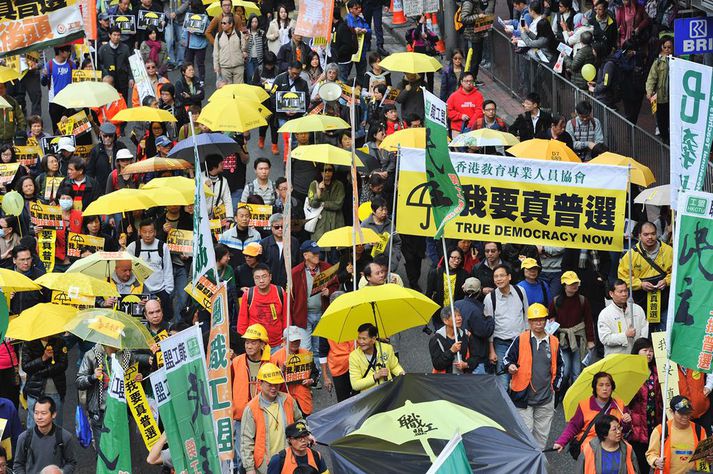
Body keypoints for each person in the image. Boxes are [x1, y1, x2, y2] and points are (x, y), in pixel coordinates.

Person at [504, 303, 564, 448]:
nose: (538, 323)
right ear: (529, 322)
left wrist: (555, 386)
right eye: (534, 320)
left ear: (546, 320)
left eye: (541, 319)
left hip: (546, 396)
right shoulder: (520, 339)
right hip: (523, 396)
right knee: (526, 433)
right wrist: (510, 366)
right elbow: (507, 359)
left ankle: (538, 464)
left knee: (542, 436)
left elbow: (561, 366)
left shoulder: (554, 342)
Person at [240, 363, 305, 474]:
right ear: (260, 383)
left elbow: (299, 420)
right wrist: (250, 469)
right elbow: (246, 441)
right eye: (270, 384)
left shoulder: (288, 400)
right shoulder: (251, 408)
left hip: (290, 458)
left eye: (276, 384)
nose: (274, 388)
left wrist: (306, 433)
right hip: (266, 464)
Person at [554, 372, 631, 453]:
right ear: (595, 387)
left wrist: (626, 422)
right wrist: (561, 442)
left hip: (613, 446)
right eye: (601, 385)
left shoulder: (620, 405)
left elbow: (625, 430)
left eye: (608, 385)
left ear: (612, 387)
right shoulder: (584, 405)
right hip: (590, 448)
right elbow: (573, 426)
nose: (604, 388)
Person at [617, 221, 672, 330]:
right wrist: (640, 284)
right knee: (644, 334)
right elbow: (623, 278)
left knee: (665, 333)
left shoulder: (668, 251)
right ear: (639, 236)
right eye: (646, 234)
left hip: (665, 301)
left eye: (653, 234)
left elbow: (677, 273)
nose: (650, 237)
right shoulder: (631, 255)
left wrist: (666, 281)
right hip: (641, 303)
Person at [231, 324, 271, 466]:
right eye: (247, 342)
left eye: (253, 342)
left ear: (262, 345)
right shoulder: (236, 362)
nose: (248, 346)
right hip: (241, 418)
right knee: (242, 457)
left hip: (264, 417)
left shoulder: (270, 364)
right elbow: (227, 389)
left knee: (264, 456)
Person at [484, 264, 528, 388]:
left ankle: (516, 407)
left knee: (521, 378)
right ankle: (502, 407)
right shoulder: (490, 298)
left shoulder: (520, 291)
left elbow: (526, 317)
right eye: (496, 276)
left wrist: (528, 340)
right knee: (503, 381)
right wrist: (491, 350)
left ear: (509, 277)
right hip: (501, 343)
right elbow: (489, 327)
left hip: (520, 342)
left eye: (501, 275)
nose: (498, 279)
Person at [549, 271, 595, 388]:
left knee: (577, 372)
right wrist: (552, 320)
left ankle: (574, 398)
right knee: (565, 372)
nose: (574, 286)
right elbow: (549, 317)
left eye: (576, 283)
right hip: (562, 341)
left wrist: (590, 340)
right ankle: (562, 391)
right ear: (564, 285)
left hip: (578, 340)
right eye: (571, 283)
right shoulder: (556, 301)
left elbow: (589, 321)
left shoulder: (582, 300)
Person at [291, 240, 338, 353]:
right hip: (303, 316)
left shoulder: (326, 267)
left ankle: (318, 371)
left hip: (322, 313)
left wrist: (329, 292)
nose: (317, 256)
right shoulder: (295, 272)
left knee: (318, 348)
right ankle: (308, 371)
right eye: (314, 254)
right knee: (304, 348)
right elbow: (291, 297)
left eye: (318, 253)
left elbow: (336, 285)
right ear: (305, 255)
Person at [646, 395, 713, 474]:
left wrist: (709, 458)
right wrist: (656, 461)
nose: (685, 417)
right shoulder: (661, 430)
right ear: (671, 412)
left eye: (688, 413)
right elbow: (651, 454)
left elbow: (704, 461)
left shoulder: (700, 431)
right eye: (681, 413)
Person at [12, 397, 78, 474]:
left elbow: (71, 463)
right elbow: (18, 465)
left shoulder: (65, 437)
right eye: (36, 413)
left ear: (53, 414)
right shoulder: (24, 438)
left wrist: (61, 472)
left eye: (43, 413)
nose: (39, 417)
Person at [126, 219, 174, 320]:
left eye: (151, 232)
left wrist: (168, 291)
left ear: (155, 232)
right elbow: (127, 269)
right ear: (139, 232)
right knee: (141, 319)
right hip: (141, 290)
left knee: (164, 320)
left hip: (161, 290)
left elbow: (168, 269)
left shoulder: (162, 246)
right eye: (144, 232)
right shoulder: (133, 247)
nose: (148, 235)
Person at [628, 338, 661, 474]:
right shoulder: (631, 373)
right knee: (640, 463)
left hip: (655, 422)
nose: (649, 353)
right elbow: (627, 400)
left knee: (656, 459)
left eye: (651, 351)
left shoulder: (657, 371)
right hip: (638, 425)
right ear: (637, 352)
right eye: (645, 350)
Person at [21, 333, 68, 429]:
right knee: (33, 426)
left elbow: (63, 365)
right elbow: (26, 366)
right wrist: (43, 358)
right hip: (35, 391)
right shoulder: (29, 343)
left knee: (55, 425)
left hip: (55, 390)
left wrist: (41, 372)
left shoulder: (59, 342)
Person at [237, 263, 287, 348]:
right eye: (257, 277)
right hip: (256, 344)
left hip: (278, 343)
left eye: (264, 276)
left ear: (270, 277)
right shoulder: (248, 294)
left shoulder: (280, 292)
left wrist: (286, 338)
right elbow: (242, 320)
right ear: (253, 279)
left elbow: (286, 316)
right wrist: (246, 343)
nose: (261, 280)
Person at [270, 326, 317, 415]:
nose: (296, 343)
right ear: (284, 341)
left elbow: (314, 373)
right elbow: (271, 381)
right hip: (284, 401)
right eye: (293, 341)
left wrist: (311, 380)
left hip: (304, 400)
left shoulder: (306, 354)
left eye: (297, 340)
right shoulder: (275, 357)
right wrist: (282, 370)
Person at [348, 323, 405, 392]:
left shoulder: (386, 348)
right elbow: (355, 385)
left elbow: (394, 366)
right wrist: (375, 376)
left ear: (373, 339)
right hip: (370, 396)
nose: (360, 342)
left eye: (364, 339)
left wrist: (401, 373)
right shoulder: (353, 356)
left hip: (388, 390)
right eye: (359, 338)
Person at [598, 279, 648, 356]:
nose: (624, 294)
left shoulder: (637, 309)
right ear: (611, 293)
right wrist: (625, 335)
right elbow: (605, 338)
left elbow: (644, 331)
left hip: (636, 356)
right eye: (620, 292)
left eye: (626, 291)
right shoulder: (605, 314)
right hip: (616, 358)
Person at [427, 247, 468, 330]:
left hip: (456, 314)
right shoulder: (436, 273)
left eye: (459, 259)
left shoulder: (464, 275)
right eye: (453, 258)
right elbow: (429, 293)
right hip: (439, 314)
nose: (456, 261)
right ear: (447, 257)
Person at [429, 306, 477, 374]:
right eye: (454, 316)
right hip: (444, 380)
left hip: (464, 378)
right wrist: (451, 351)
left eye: (459, 315)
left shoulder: (466, 335)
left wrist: (466, 364)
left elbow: (476, 357)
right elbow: (437, 365)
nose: (459, 318)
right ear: (445, 320)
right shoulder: (436, 339)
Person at [360, 196, 401, 274]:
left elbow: (397, 242)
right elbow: (359, 245)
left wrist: (396, 256)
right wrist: (369, 245)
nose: (384, 212)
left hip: (389, 264)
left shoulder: (390, 224)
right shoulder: (365, 225)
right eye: (381, 210)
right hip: (371, 265)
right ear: (373, 211)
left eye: (385, 209)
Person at [306, 164, 345, 242]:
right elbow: (312, 204)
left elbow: (338, 204)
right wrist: (318, 193)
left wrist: (323, 204)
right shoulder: (314, 184)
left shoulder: (339, 185)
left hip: (336, 221)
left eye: (330, 170)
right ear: (320, 172)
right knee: (320, 248)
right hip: (320, 222)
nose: (327, 172)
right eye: (324, 170)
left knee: (335, 249)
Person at [259, 214, 300, 288]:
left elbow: (298, 263)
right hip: (269, 285)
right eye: (277, 227)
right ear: (271, 227)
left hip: (289, 284)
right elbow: (261, 265)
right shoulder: (264, 243)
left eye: (283, 226)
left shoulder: (294, 242)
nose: (280, 229)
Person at [86, 122, 128, 193]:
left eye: (110, 136)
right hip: (101, 189)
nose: (107, 138)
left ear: (114, 136)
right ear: (101, 135)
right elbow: (89, 171)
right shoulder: (95, 151)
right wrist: (90, 188)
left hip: (119, 187)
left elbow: (128, 164)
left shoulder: (121, 147)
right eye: (105, 136)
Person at [646, 37, 672, 143]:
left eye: (669, 47)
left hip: (673, 96)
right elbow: (651, 78)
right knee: (662, 119)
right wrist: (649, 91)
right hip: (661, 96)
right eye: (665, 47)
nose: (667, 49)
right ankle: (665, 138)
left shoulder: (677, 61)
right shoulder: (658, 62)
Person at [97, 26, 133, 101]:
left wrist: (131, 78)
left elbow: (129, 64)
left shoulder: (125, 48)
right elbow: (99, 64)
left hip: (122, 80)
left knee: (122, 101)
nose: (116, 37)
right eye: (114, 35)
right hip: (108, 81)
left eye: (118, 35)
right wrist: (104, 76)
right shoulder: (103, 49)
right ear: (110, 35)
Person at [446, 72, 484, 137]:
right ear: (461, 82)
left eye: (471, 81)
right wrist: (460, 116)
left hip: (474, 129)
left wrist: (470, 125)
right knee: (458, 147)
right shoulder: (454, 96)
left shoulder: (479, 96)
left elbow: (479, 112)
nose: (469, 83)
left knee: (473, 147)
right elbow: (448, 111)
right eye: (466, 81)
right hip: (457, 129)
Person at [214, 13, 246, 85]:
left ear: (231, 24)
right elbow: (216, 52)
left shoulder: (239, 34)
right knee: (227, 90)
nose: (222, 25)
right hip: (225, 68)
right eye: (221, 23)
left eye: (224, 23)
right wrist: (216, 66)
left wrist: (244, 51)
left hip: (238, 66)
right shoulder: (218, 36)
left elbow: (244, 49)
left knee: (238, 89)